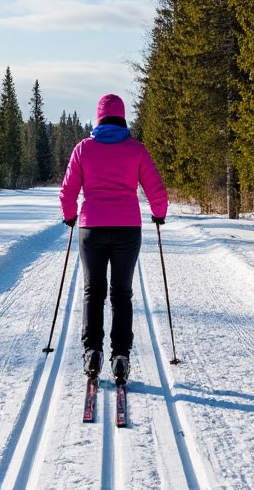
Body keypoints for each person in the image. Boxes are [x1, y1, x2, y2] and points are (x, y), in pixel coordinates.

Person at [59, 93, 168, 383]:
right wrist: (159, 214)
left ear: (99, 118)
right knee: (121, 294)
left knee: (93, 292)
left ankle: (91, 351)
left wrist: (70, 215)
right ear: (122, 117)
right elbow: (156, 188)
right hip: (127, 228)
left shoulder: (83, 149)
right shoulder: (136, 150)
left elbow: (68, 190)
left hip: (91, 227)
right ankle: (120, 356)